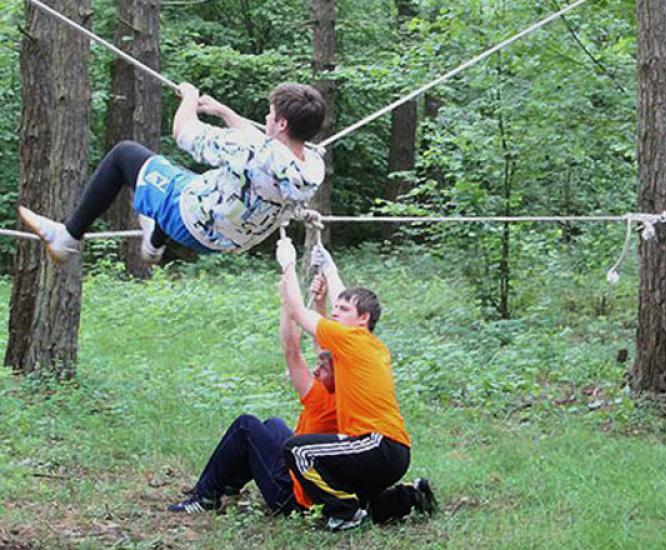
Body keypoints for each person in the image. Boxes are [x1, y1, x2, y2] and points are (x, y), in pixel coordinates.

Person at [19, 81, 326, 264]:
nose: (265, 117)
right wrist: (223, 112)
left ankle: (66, 238)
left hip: (190, 219)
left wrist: (190, 98)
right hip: (228, 238)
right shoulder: (311, 167)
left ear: (282, 124)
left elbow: (183, 132)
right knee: (178, 176)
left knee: (125, 155)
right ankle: (153, 244)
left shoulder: (251, 150)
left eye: (271, 115)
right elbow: (262, 145)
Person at [276, 239, 430, 531]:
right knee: (365, 500)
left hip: (377, 445)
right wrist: (330, 269)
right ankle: (408, 498)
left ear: (363, 320)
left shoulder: (352, 340)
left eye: (342, 310)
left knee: (298, 451)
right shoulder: (368, 345)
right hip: (392, 452)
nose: (335, 313)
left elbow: (298, 312)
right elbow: (338, 320)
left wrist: (288, 264)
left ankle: (345, 513)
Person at [167, 277, 336, 515]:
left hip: (291, 496)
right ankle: (229, 484)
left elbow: (291, 348)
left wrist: (287, 302)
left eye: (323, 369)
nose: (316, 370)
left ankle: (206, 496)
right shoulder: (344, 384)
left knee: (246, 426)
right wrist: (320, 305)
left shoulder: (321, 396)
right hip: (305, 472)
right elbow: (326, 350)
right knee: (273, 424)